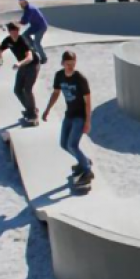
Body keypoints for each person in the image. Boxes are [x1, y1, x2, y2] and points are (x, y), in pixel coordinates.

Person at [42, 51, 95, 186]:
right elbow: (55, 93)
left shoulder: (80, 79)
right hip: (69, 115)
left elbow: (88, 101)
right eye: (68, 64)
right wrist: (47, 109)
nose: (71, 67)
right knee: (63, 144)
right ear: (62, 63)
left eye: (73, 64)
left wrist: (88, 121)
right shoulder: (59, 76)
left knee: (72, 144)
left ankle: (87, 171)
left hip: (80, 117)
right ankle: (84, 161)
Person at [0, 23, 41, 125]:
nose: (15, 35)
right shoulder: (8, 40)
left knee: (27, 89)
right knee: (17, 90)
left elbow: (30, 57)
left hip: (32, 65)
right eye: (12, 32)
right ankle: (31, 109)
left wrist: (19, 63)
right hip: (22, 66)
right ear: (9, 32)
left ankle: (33, 115)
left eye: (16, 32)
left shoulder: (23, 40)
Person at [18, 0, 49, 64]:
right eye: (20, 4)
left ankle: (44, 58)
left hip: (41, 27)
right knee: (24, 35)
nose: (21, 5)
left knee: (37, 42)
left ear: (26, 2)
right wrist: (19, 22)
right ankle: (34, 48)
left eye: (22, 3)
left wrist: (18, 23)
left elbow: (25, 21)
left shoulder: (30, 9)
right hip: (35, 26)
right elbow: (24, 18)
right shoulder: (27, 9)